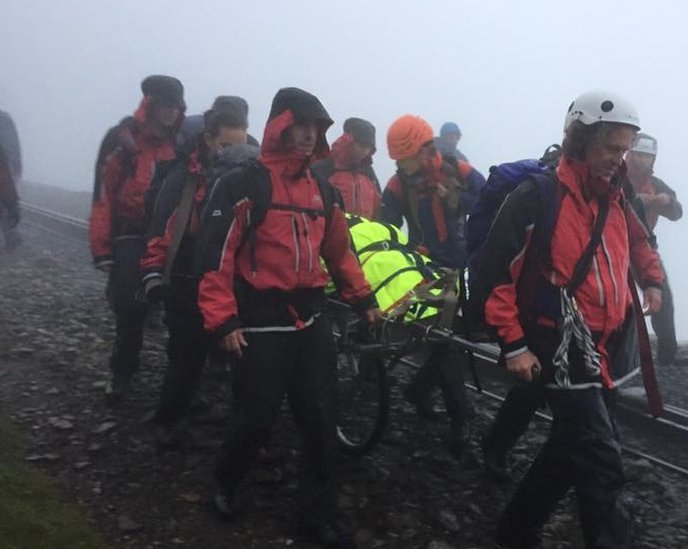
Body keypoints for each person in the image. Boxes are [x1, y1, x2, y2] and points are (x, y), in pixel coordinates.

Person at [477, 90, 664, 548]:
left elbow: (640, 243)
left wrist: (653, 281)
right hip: (555, 340)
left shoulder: (619, 197)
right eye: (609, 148)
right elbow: (492, 269)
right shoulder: (538, 196)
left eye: (623, 149)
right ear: (580, 141)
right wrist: (513, 344)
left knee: (570, 448)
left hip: (604, 342)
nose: (617, 159)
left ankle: (515, 531)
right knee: (601, 458)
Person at [197, 87, 380, 547]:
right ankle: (225, 481)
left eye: (314, 129)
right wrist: (222, 320)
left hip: (310, 317)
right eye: (299, 126)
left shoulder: (322, 190)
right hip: (259, 320)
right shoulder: (244, 183)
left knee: (321, 419)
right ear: (280, 127)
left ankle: (317, 513)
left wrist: (363, 299)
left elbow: (340, 253)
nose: (306, 136)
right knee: (255, 417)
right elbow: (216, 257)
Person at [140, 97, 251, 446]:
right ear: (207, 139)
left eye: (239, 146)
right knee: (186, 355)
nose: (231, 153)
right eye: (225, 145)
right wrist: (154, 273)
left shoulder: (246, 176)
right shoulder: (185, 178)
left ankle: (198, 414)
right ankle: (168, 422)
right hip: (187, 279)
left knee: (223, 355)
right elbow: (164, 227)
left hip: (228, 279)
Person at [380, 114, 485, 456]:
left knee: (450, 340)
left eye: (404, 159)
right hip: (424, 271)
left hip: (457, 268)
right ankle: (461, 417)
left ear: (424, 151)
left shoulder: (461, 172)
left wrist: (457, 201)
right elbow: (385, 229)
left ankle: (418, 391)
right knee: (443, 342)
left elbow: (490, 208)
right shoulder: (398, 186)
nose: (400, 166)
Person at [89, 75, 185, 402]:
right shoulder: (123, 140)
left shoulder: (182, 144)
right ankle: (123, 372)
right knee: (130, 309)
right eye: (166, 105)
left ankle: (178, 386)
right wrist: (102, 249)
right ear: (151, 104)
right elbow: (103, 195)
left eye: (177, 106)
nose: (172, 112)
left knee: (175, 307)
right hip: (130, 231)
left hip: (168, 234)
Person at [625, 133, 684, 365]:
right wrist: (637, 200)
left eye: (647, 156)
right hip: (612, 245)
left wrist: (668, 201)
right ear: (629, 153)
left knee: (664, 298)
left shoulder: (656, 184)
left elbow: (677, 213)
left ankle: (668, 356)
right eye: (638, 155)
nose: (642, 161)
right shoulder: (615, 177)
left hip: (644, 246)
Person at [311, 117, 382, 219]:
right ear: (348, 141)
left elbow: (378, 209)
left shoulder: (369, 172)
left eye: (368, 147)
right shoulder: (324, 168)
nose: (365, 151)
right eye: (361, 145)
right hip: (331, 232)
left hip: (363, 233)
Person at [0, 110, 20, 250]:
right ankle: (10, 236)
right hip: (8, 166)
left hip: (6, 166)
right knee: (6, 204)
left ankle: (10, 236)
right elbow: (14, 146)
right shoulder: (5, 119)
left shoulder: (4, 119)